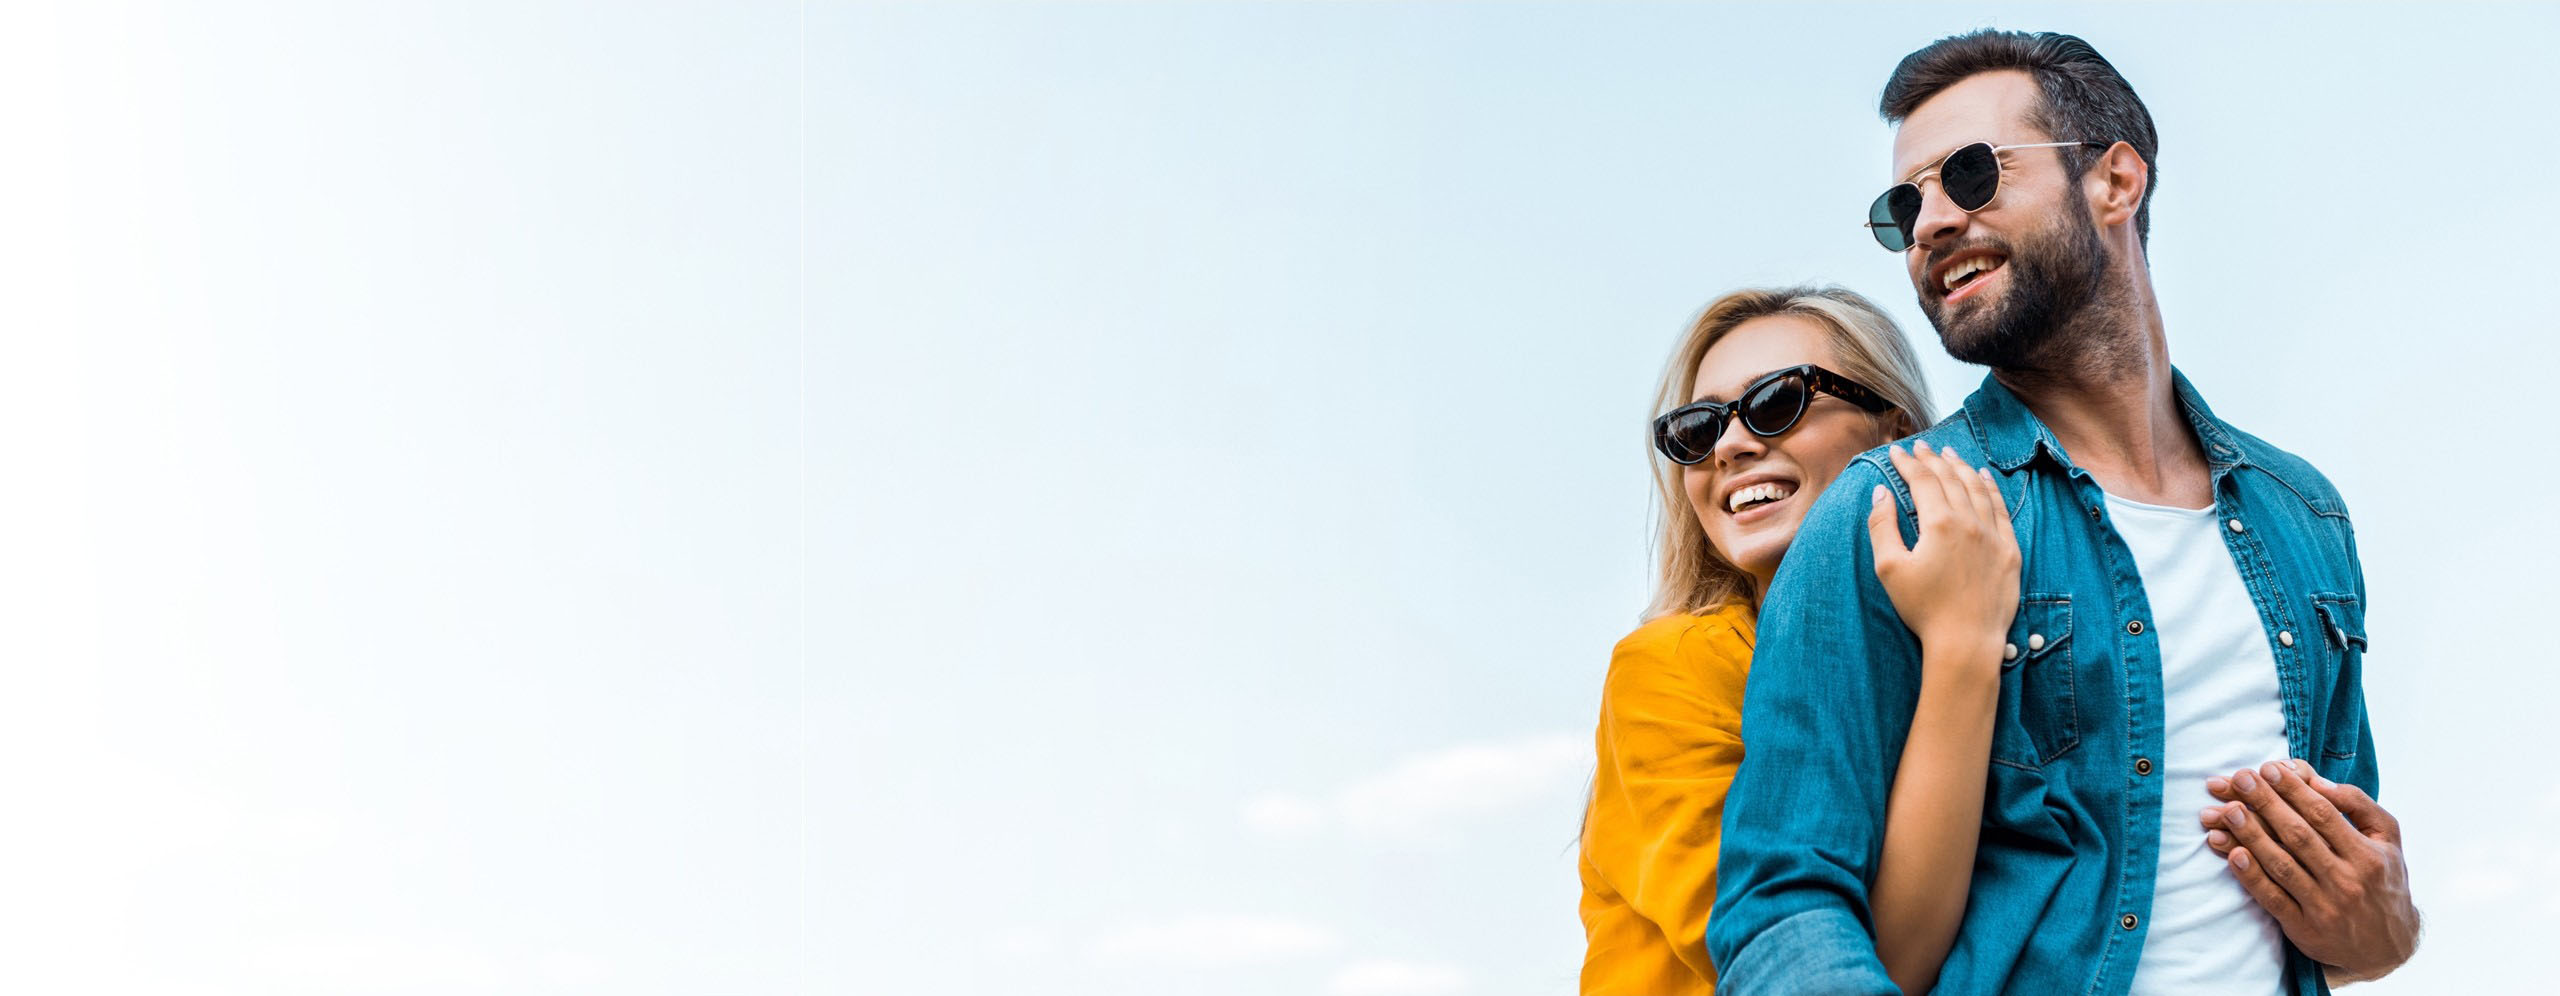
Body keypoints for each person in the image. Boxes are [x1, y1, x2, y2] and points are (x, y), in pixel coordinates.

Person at [1706, 30, 2419, 995]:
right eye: (1904, 204)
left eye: (1969, 175)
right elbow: (1780, 908)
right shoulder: (1888, 514)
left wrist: (2385, 929)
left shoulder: (2307, 518)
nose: (1929, 223)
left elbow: (2340, 896)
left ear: (2117, 181)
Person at [1578, 285, 2022, 995]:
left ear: (1894, 431)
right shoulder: (1671, 668)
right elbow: (1813, 958)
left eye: (1777, 400)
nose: (1730, 446)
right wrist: (1962, 653)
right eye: (1697, 430)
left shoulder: (2006, 639)